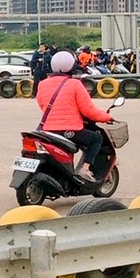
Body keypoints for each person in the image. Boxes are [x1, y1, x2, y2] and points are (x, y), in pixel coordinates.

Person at [35, 51, 115, 182]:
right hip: (68, 130)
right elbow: (89, 110)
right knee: (96, 139)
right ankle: (85, 168)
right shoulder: (75, 84)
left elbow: (42, 104)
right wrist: (106, 117)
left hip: (47, 130)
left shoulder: (42, 84)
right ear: (72, 66)